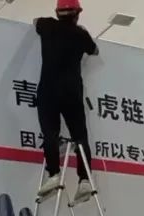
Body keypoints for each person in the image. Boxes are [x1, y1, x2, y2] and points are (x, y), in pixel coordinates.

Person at [34, 0, 99, 203]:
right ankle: (85, 180)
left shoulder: (46, 25)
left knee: (50, 132)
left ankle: (53, 175)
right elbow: (95, 50)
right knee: (80, 137)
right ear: (77, 14)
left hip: (48, 90)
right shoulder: (80, 34)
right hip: (72, 92)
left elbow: (35, 21)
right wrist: (83, 31)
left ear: (57, 12)